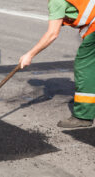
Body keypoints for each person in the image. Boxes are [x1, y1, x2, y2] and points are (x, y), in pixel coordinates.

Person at [19, 0, 95, 128]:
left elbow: (52, 34)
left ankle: (83, 116)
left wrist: (30, 55)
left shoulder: (56, 1)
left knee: (84, 67)